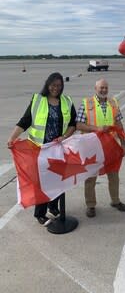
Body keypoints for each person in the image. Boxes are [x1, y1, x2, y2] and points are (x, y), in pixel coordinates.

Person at [7, 72, 76, 226]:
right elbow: (24, 121)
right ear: (47, 84)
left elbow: (73, 124)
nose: (56, 88)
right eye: (53, 85)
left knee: (58, 180)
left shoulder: (66, 101)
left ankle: (53, 206)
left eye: (59, 86)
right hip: (38, 150)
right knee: (42, 182)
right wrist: (12, 138)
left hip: (58, 148)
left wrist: (64, 137)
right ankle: (40, 213)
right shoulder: (37, 100)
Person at [76, 79, 125, 217]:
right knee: (91, 177)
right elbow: (79, 125)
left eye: (105, 88)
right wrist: (97, 129)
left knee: (114, 175)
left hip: (111, 146)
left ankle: (115, 201)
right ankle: (91, 205)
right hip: (92, 147)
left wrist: (123, 144)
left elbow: (119, 125)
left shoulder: (113, 103)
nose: (103, 90)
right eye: (101, 88)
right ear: (95, 88)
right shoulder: (86, 103)